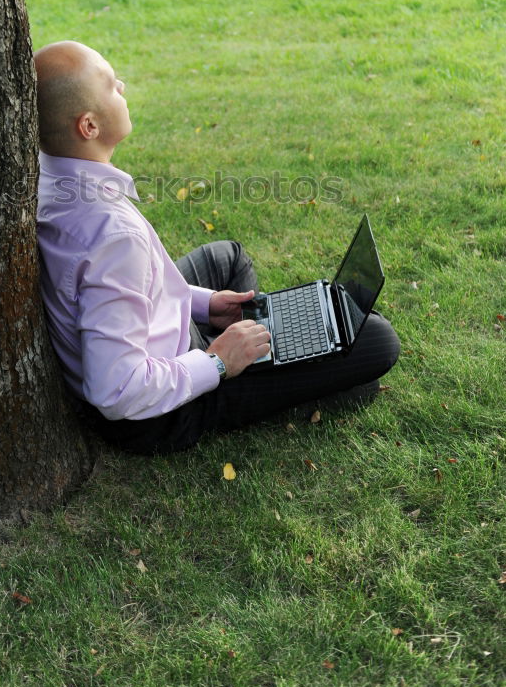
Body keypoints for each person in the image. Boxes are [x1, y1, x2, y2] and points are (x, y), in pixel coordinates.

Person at [35, 41, 399, 455]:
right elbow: (116, 389)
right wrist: (218, 361)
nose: (122, 84)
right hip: (158, 412)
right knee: (378, 341)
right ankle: (256, 375)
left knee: (230, 258)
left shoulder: (53, 173)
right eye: (110, 85)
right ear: (89, 127)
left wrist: (207, 305)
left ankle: (254, 350)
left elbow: (118, 288)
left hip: (153, 335)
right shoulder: (113, 237)